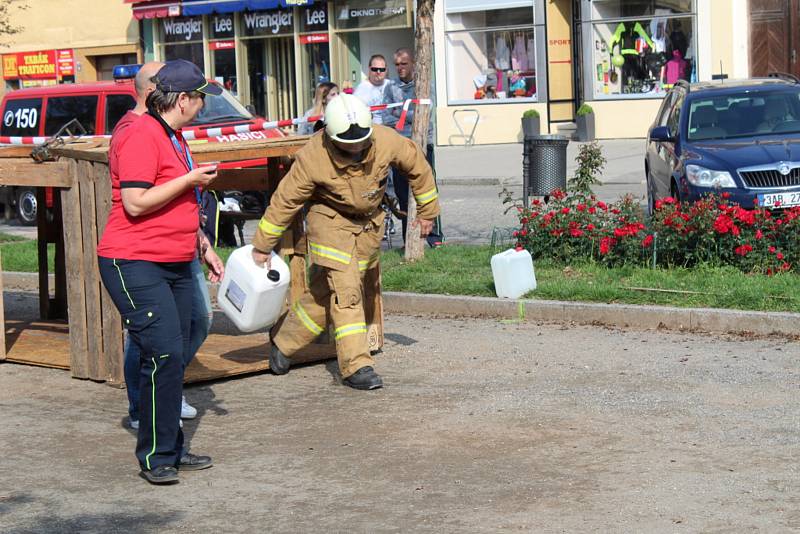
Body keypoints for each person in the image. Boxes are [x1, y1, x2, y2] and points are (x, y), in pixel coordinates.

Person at [251, 94, 440, 390]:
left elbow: (417, 165)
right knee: (347, 291)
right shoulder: (313, 157)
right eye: (347, 145)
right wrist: (262, 245)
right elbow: (284, 202)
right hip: (329, 222)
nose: (355, 149)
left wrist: (428, 212)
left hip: (367, 224)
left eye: (360, 143)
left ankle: (284, 342)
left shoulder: (385, 140)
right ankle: (357, 366)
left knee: (325, 293)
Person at [97, 59, 220, 484]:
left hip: (174, 259)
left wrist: (202, 244)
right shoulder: (140, 134)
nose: (203, 106)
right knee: (163, 352)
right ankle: (156, 455)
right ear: (182, 100)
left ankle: (170, 444)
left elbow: (176, 203)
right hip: (133, 260)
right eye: (200, 98)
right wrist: (190, 182)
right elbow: (135, 202)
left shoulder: (173, 134)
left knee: (172, 355)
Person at [383, 47, 444, 248]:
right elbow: (385, 118)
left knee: (427, 191)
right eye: (397, 64)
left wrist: (401, 112)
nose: (400, 68)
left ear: (414, 64)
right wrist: (408, 113)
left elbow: (424, 115)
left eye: (404, 64)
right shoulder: (390, 87)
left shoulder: (425, 85)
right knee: (402, 194)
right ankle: (408, 238)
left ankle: (435, 238)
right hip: (399, 148)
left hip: (423, 145)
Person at [353, 54, 392, 125]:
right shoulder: (361, 90)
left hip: (393, 127)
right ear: (369, 69)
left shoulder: (392, 85)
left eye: (382, 69)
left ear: (386, 70)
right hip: (373, 128)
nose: (378, 72)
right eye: (375, 69)